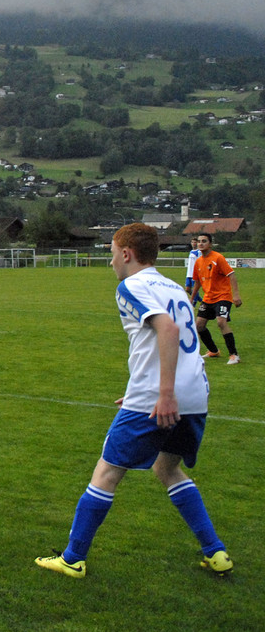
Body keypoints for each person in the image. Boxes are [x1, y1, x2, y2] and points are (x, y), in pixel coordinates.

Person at [35, 223, 231, 579]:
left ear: (126, 254)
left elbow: (167, 330)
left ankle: (73, 559)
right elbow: (173, 341)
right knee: (167, 468)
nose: (111, 262)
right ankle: (215, 551)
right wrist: (149, 387)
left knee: (106, 472)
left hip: (161, 397)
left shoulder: (131, 286)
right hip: (195, 394)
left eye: (112, 254)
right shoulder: (173, 287)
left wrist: (162, 393)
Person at [189, 234, 242, 365]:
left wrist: (236, 295)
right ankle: (213, 351)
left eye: (204, 241)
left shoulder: (218, 258)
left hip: (223, 296)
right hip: (208, 298)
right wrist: (192, 299)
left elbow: (231, 275)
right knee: (199, 325)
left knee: (221, 322)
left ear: (210, 244)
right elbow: (197, 282)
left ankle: (234, 355)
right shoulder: (198, 262)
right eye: (199, 241)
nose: (200, 243)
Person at [183, 236, 201, 306]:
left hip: (194, 273)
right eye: (192, 242)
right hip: (189, 273)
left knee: (194, 289)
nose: (193, 243)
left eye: (195, 242)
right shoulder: (191, 251)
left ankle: (194, 303)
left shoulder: (198, 252)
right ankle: (201, 300)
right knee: (187, 289)